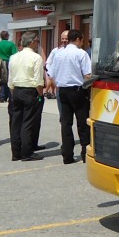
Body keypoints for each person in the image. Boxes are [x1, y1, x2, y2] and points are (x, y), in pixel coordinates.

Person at [45, 28, 92, 164]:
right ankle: (85, 153)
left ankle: (67, 155)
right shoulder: (81, 53)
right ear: (78, 39)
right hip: (77, 90)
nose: (82, 43)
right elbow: (87, 75)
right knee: (82, 123)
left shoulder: (58, 54)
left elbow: (51, 73)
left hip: (62, 90)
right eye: (82, 40)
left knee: (65, 123)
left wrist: (58, 85)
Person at [7, 31, 46, 161]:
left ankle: (15, 152)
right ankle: (27, 151)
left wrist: (13, 92)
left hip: (17, 90)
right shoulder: (36, 58)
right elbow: (38, 80)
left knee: (16, 122)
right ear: (32, 42)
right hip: (30, 91)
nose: (37, 44)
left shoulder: (14, 57)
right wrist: (40, 95)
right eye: (37, 42)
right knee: (28, 122)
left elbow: (11, 78)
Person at [0, 30, 17, 103]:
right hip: (9, 62)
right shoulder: (11, 44)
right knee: (10, 79)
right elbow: (14, 54)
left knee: (1, 80)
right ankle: (10, 96)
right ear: (7, 36)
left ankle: (2, 96)